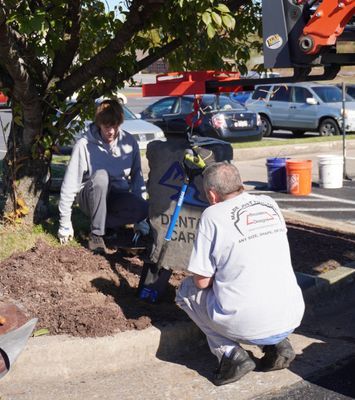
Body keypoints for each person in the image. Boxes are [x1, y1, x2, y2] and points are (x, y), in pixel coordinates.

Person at [176, 161, 305, 386]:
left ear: (212, 195)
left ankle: (231, 355)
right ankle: (277, 344)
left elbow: (202, 281)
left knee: (185, 291)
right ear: (240, 185)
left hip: (247, 321)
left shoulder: (212, 215)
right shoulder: (268, 203)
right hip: (291, 314)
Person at [57, 99, 149, 253]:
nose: (111, 131)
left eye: (115, 126)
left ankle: (109, 226)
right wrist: (64, 223)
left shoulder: (129, 143)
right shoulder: (84, 145)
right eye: (107, 126)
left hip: (117, 195)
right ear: (99, 123)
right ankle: (96, 235)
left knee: (144, 208)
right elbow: (70, 184)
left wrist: (141, 220)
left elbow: (137, 178)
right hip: (91, 196)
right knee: (101, 177)